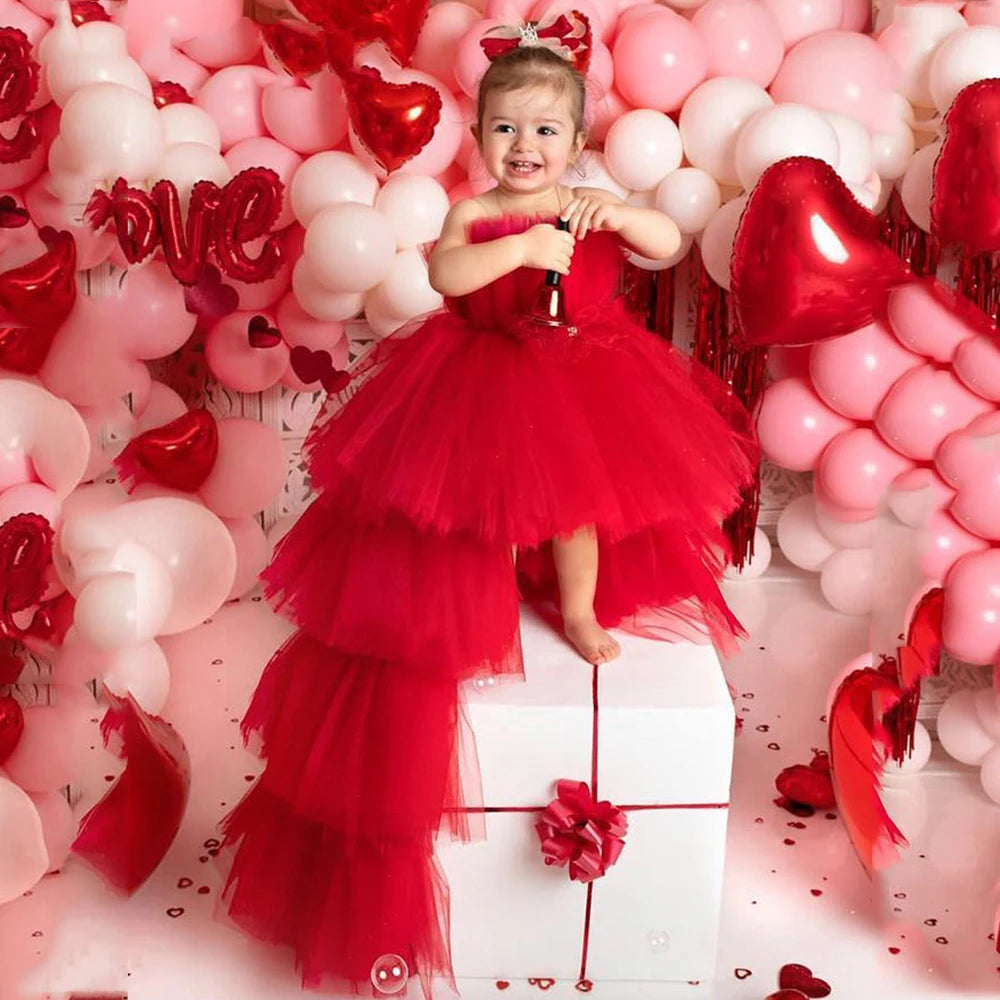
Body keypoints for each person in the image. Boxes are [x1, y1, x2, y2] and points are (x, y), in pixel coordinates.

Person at [216, 11, 758, 998]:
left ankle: (579, 606)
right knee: (466, 510)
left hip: (581, 380)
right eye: (505, 129)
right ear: (480, 138)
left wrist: (616, 217)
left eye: (545, 132)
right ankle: (478, 600)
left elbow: (663, 234)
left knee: (576, 507)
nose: (524, 147)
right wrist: (517, 251)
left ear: (578, 143)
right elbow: (447, 273)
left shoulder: (592, 198)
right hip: (478, 379)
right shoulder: (476, 216)